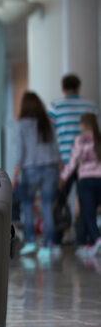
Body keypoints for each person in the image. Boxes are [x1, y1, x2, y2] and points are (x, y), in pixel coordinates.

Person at [48, 74, 99, 246]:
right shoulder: (90, 106)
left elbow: (50, 136)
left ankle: (55, 240)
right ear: (78, 88)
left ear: (63, 89)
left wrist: (58, 162)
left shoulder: (56, 107)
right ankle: (82, 240)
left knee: (59, 201)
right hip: (89, 164)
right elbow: (96, 134)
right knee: (87, 203)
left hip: (65, 161)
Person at [12, 92, 60, 259]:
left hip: (30, 168)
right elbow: (55, 148)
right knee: (47, 206)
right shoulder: (49, 122)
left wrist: (15, 173)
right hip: (50, 168)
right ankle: (47, 245)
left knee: (27, 205)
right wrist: (60, 171)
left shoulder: (21, 124)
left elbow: (20, 151)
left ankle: (31, 242)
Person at [60, 113, 101, 258]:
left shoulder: (80, 140)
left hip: (86, 181)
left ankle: (97, 239)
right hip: (99, 180)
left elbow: (73, 162)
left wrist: (63, 178)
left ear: (83, 124)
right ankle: (90, 243)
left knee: (88, 213)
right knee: (93, 211)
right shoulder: (99, 138)